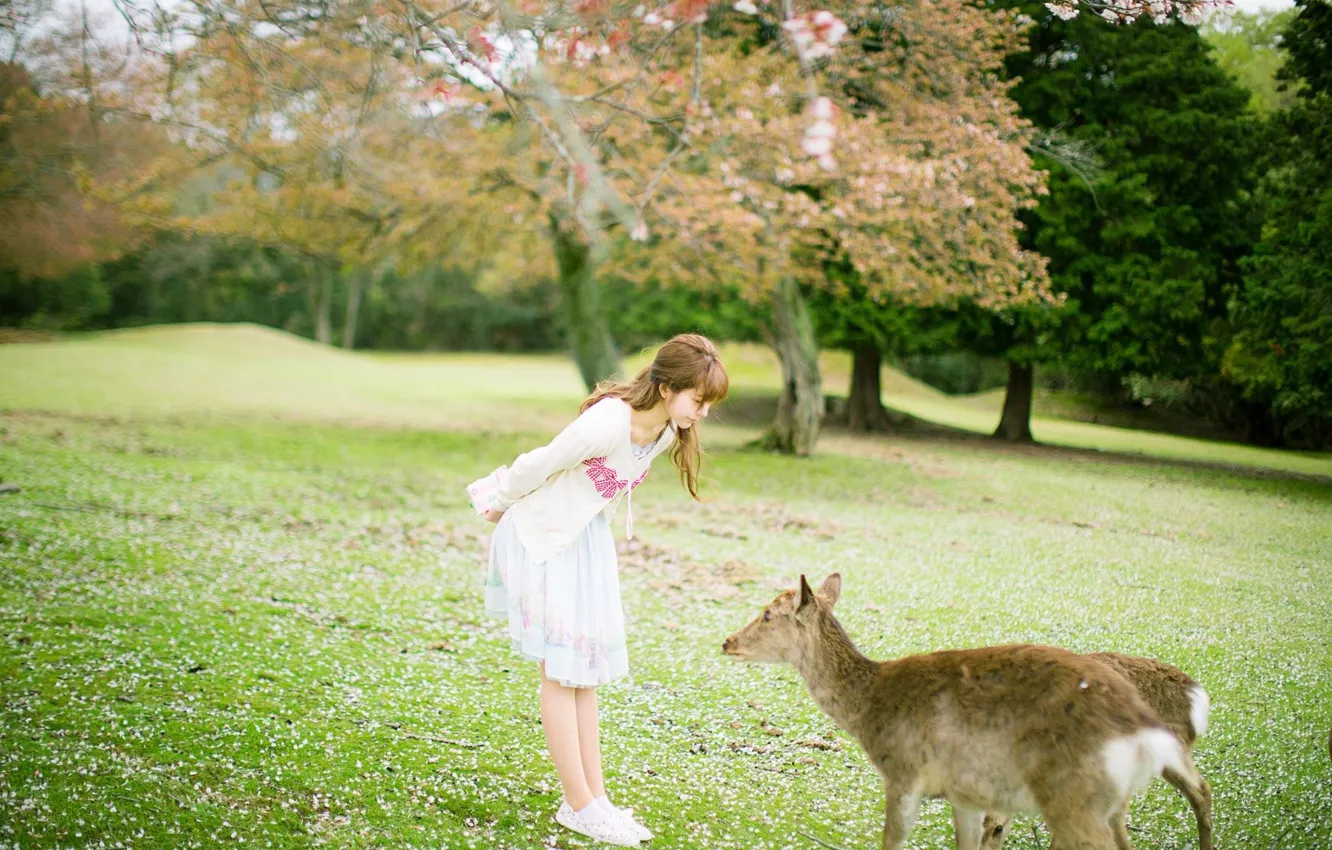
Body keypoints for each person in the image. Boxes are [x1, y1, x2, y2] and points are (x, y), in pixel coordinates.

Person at [476, 333, 728, 846]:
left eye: (708, 405)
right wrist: (498, 501)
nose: (702, 413)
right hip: (539, 538)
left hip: (583, 542)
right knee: (559, 669)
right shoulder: (606, 422)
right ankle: (579, 804)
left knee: (583, 672)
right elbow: (540, 463)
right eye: (698, 401)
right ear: (667, 388)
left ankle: (595, 799)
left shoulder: (662, 435)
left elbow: (602, 494)